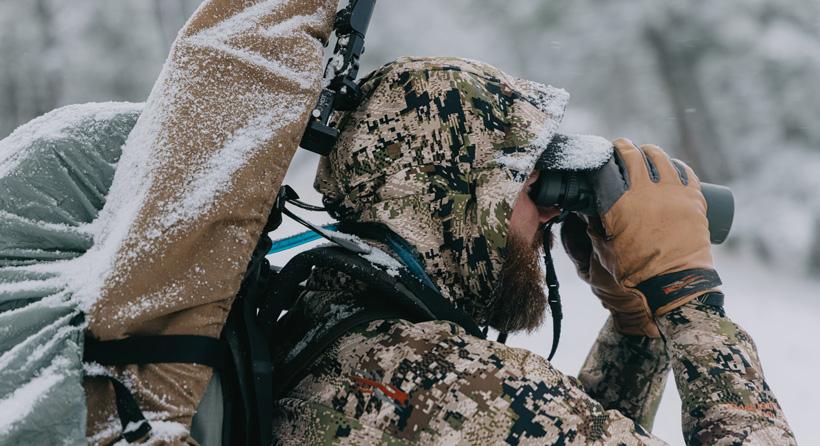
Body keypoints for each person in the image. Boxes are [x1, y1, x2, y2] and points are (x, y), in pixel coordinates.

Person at [269, 56, 797, 445]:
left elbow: (573, 428)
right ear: (453, 202)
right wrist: (686, 295)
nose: (548, 211)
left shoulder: (345, 338)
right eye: (526, 182)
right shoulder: (457, 388)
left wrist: (635, 328)